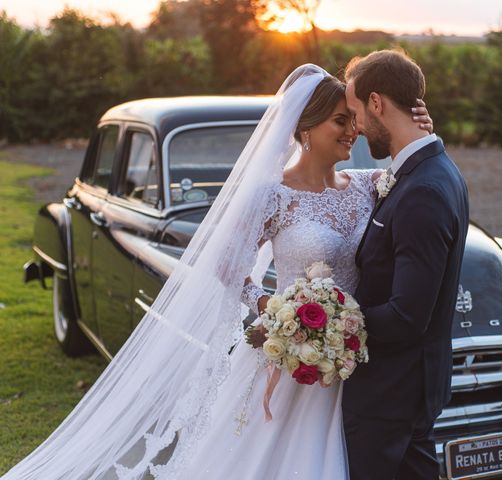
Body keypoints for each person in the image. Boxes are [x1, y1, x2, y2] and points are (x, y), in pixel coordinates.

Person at [1, 64, 432, 480]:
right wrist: (272, 307)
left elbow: (415, 167)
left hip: (356, 366)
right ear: (305, 129)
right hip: (291, 357)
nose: (353, 130)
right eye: (341, 121)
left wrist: (422, 129)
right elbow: (227, 266)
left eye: (353, 118)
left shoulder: (369, 184)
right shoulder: (273, 195)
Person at [342, 50, 470, 480]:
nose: (355, 128)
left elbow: (406, 315)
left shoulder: (423, 190)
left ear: (377, 102)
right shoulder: (429, 169)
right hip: (404, 393)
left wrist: (329, 322)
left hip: (390, 396)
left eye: (356, 111)